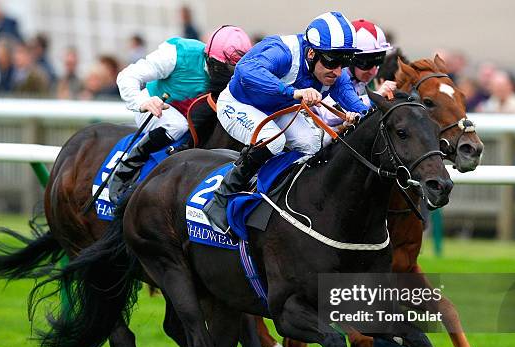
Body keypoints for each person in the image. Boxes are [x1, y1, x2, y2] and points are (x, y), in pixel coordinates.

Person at [204, 12, 367, 232]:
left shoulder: (335, 74)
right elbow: (245, 69)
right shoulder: (283, 52)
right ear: (311, 53)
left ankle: (284, 200)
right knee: (274, 141)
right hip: (239, 104)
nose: (338, 71)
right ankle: (222, 197)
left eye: (345, 62)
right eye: (333, 61)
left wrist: (362, 116)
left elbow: (359, 106)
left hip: (277, 108)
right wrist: (292, 92)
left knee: (311, 144)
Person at [108, 25, 253, 203]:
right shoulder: (177, 54)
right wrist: (141, 102)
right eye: (224, 69)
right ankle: (127, 168)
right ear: (210, 59)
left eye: (233, 70)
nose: (227, 76)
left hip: (193, 119)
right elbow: (128, 75)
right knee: (177, 125)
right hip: (156, 107)